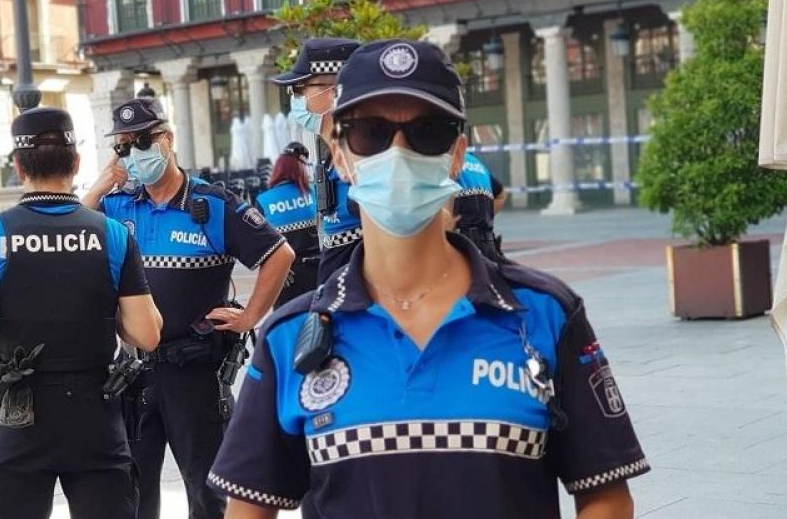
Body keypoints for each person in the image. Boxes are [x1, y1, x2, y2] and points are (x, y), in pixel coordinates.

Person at [209, 40, 648, 518]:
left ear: (457, 155)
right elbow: (248, 509)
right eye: (371, 133)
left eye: (429, 132)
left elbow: (604, 494)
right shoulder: (290, 338)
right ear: (339, 154)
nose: (398, 152)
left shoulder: (544, 315)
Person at [81, 97, 295, 519]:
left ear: (168, 139)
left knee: (209, 491)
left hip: (194, 374)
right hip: (135, 373)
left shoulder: (212, 204)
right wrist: (98, 187)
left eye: (141, 141)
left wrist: (251, 316)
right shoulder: (117, 205)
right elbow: (70, 233)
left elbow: (279, 254)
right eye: (123, 147)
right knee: (132, 493)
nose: (133, 153)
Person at [0, 106, 163, 519]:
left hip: (21, 414)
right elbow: (148, 333)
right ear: (76, 162)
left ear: (17, 166)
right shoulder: (111, 234)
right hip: (95, 413)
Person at [269, 38, 363, 287]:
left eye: (300, 89)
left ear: (334, 91)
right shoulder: (334, 155)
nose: (295, 98)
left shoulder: (361, 159)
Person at [254, 142, 319, 307]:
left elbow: (259, 244)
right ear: (300, 169)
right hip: (316, 269)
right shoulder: (313, 192)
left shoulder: (263, 200)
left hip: (284, 273)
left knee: (286, 324)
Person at [453, 150, 509, 260]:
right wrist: (482, 217)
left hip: (460, 246)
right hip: (487, 244)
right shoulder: (474, 162)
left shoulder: (444, 162)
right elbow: (500, 195)